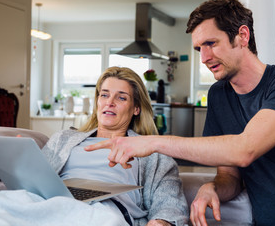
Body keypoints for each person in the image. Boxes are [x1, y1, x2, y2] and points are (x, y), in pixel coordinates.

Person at [85, 0, 275, 226]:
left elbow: (245, 149)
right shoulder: (219, 95)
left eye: (211, 43)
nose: (204, 58)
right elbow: (230, 175)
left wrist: (154, 143)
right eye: (199, 48)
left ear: (243, 36)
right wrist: (214, 187)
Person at [43, 66, 188, 226]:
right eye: (104, 95)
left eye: (121, 98)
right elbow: (34, 180)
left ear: (136, 109)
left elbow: (170, 201)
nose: (109, 102)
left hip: (104, 208)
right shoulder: (62, 139)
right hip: (54, 200)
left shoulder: (152, 153)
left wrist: (162, 221)